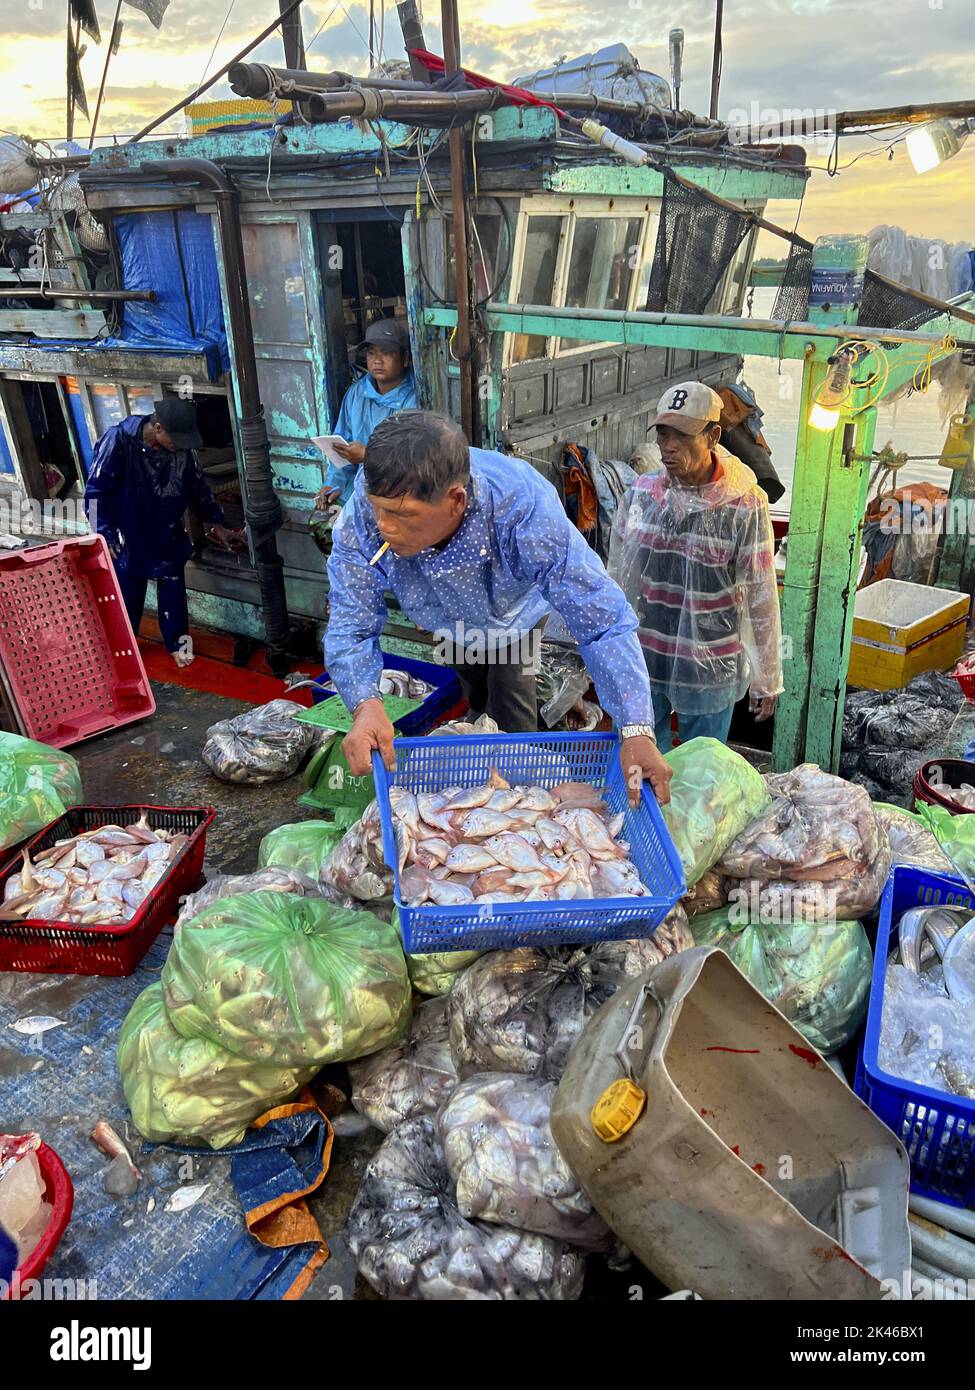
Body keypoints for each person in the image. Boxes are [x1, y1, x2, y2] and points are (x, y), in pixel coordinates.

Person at [324, 410, 673, 805]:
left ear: (456, 501)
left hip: (515, 621)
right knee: (474, 693)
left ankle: (521, 795)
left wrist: (636, 729)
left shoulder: (521, 509)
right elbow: (351, 619)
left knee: (511, 707)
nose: (384, 527)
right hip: (447, 622)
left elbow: (602, 620)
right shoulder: (366, 516)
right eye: (379, 509)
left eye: (403, 516)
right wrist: (365, 704)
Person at [609, 381, 783, 753]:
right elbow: (616, 578)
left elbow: (761, 594)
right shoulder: (640, 495)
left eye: (683, 436)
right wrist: (610, 654)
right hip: (645, 657)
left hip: (710, 667)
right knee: (639, 770)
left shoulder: (745, 505)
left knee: (703, 774)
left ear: (713, 436)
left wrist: (767, 676)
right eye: (663, 434)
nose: (669, 447)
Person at [84, 398, 243, 668]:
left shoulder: (182, 450)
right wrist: (104, 534)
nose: (179, 446)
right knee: (128, 594)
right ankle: (125, 647)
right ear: (157, 428)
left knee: (173, 592)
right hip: (128, 532)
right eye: (175, 439)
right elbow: (96, 492)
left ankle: (177, 644)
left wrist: (218, 524)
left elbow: (199, 490)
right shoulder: (118, 440)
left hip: (167, 529)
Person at [316, 319, 418, 510]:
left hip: (398, 492)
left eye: (386, 353)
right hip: (358, 489)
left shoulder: (415, 399)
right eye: (372, 353)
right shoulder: (357, 393)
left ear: (405, 358)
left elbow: (414, 458)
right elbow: (341, 447)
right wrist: (333, 484)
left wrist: (369, 455)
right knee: (322, 523)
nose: (377, 360)